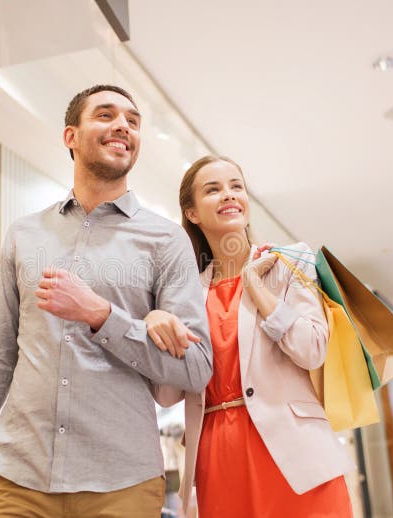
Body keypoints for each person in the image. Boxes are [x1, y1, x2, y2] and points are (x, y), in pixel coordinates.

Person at [0, 85, 213, 518]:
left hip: (122, 483)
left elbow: (196, 367)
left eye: (133, 120)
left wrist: (102, 316)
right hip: (19, 482)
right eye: (106, 115)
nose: (123, 125)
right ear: (70, 136)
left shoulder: (166, 240)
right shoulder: (24, 235)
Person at [151, 155, 355, 517]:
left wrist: (256, 290)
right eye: (213, 190)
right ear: (193, 212)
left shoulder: (291, 261)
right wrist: (157, 327)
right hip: (218, 454)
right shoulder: (186, 292)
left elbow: (312, 350)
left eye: (236, 187)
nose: (229, 195)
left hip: (295, 452)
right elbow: (167, 395)